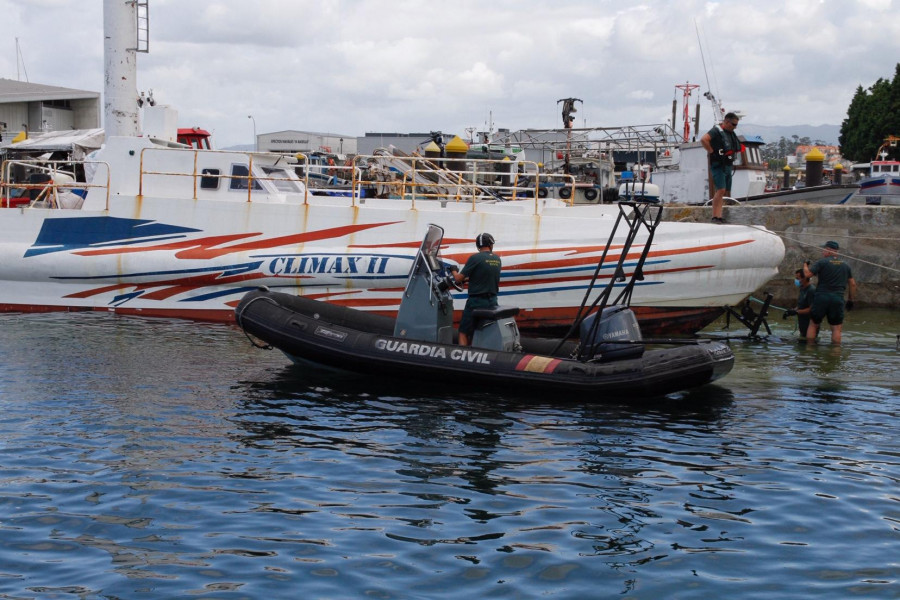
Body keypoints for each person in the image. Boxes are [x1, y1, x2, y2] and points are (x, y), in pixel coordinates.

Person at [803, 240, 858, 344]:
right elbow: (853, 284)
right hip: (837, 298)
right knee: (836, 328)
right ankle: (835, 352)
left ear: (828, 250)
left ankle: (809, 350)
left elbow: (807, 275)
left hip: (821, 297)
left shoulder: (822, 262)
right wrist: (851, 299)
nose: (823, 252)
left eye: (824, 249)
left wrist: (805, 264)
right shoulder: (845, 265)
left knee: (813, 324)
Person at [452, 233, 501, 346]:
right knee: (478, 330)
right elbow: (486, 276)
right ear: (490, 244)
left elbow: (458, 279)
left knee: (463, 332)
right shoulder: (497, 259)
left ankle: (463, 359)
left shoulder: (475, 258)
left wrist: (453, 270)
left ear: (478, 246)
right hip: (492, 301)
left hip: (476, 302)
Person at [700, 112, 742, 224]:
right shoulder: (716, 131)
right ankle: (715, 216)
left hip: (727, 164)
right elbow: (704, 139)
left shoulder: (730, 133)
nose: (735, 127)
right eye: (733, 124)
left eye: (736, 125)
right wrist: (711, 151)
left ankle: (719, 215)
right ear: (727, 121)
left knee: (725, 191)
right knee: (721, 189)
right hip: (718, 165)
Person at [782, 267, 816, 340]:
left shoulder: (811, 290)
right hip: (802, 321)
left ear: (805, 278)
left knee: (809, 341)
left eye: (798, 278)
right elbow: (801, 305)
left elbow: (812, 309)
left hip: (810, 322)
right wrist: (791, 311)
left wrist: (796, 312)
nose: (796, 280)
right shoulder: (802, 288)